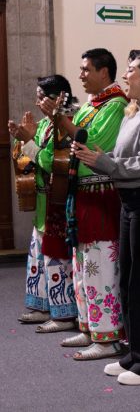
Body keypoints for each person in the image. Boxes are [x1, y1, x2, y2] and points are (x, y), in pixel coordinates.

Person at [73, 52, 140, 385]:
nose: (125, 76)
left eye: (131, 71)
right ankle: (134, 354)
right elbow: (121, 157)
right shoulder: (134, 112)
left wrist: (105, 163)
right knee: (128, 278)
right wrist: (101, 159)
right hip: (128, 199)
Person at [37, 48, 128, 360]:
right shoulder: (94, 104)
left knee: (100, 266)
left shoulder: (115, 104)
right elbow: (74, 137)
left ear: (104, 72)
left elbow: (93, 140)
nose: (81, 75)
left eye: (86, 69)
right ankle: (90, 327)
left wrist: (59, 118)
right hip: (84, 192)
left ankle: (108, 336)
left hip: (101, 192)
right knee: (83, 266)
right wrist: (60, 121)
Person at [10, 75, 79, 331]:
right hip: (42, 199)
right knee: (38, 257)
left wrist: (28, 142)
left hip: (58, 200)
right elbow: (26, 162)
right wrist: (20, 140)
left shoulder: (67, 123)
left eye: (41, 96)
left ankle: (63, 315)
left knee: (56, 259)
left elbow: (52, 163)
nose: (37, 101)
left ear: (57, 98)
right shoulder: (43, 125)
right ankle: (43, 307)